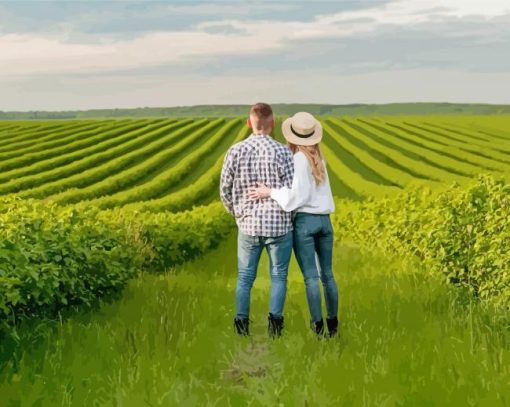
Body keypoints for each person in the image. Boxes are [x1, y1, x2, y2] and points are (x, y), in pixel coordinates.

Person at [248, 112, 339, 337]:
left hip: (305, 222)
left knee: (311, 278)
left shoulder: (299, 159)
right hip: (325, 222)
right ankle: (333, 325)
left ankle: (317, 328)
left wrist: (270, 191)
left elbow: (297, 197)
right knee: (328, 275)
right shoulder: (320, 158)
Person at [220, 102, 294, 338]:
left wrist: (238, 214)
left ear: (249, 122)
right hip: (279, 225)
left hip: (248, 224)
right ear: (273, 124)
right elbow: (293, 192)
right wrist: (288, 216)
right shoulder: (283, 152)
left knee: (244, 277)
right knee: (279, 276)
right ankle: (275, 327)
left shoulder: (235, 151)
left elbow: (225, 189)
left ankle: (241, 326)